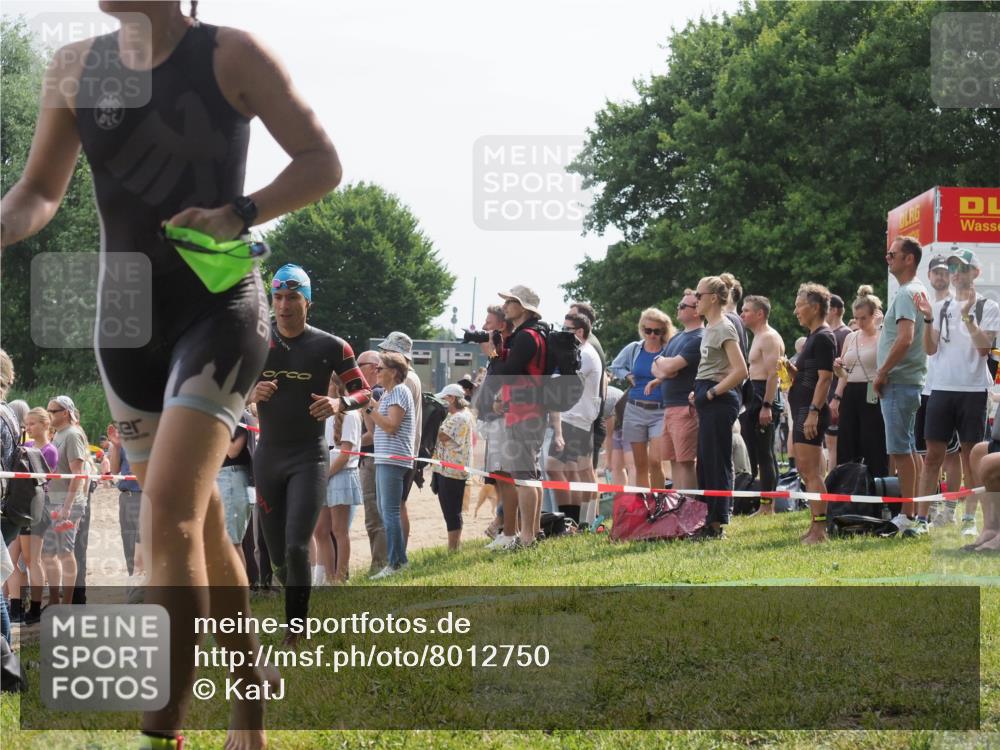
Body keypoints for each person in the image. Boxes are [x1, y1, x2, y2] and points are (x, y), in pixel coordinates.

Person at [0, 1, 344, 744]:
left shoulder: (231, 55)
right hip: (124, 323)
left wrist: (241, 211)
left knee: (168, 518)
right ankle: (250, 690)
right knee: (203, 521)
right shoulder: (73, 68)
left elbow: (323, 162)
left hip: (219, 311)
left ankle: (163, 731)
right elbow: (40, 192)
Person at [251, 264, 370, 637]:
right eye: (278, 297)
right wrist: (251, 394)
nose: (284, 306)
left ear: (308, 303)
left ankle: (296, 629)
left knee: (297, 546)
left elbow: (365, 392)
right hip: (269, 456)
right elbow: (222, 389)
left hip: (310, 456)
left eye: (293, 298)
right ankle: (295, 598)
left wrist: (339, 405)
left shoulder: (332, 346)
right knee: (274, 554)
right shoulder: (254, 340)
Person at [913, 248, 999, 538]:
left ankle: (968, 520)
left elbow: (984, 349)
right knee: (932, 455)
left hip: (973, 389)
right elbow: (930, 349)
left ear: (976, 273)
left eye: (962, 268)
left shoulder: (989, 306)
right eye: (953, 269)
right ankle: (922, 518)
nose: (957, 274)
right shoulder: (939, 307)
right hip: (941, 388)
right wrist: (926, 320)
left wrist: (967, 318)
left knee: (970, 455)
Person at [482, 286, 548, 550]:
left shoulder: (526, 337)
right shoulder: (534, 334)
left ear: (525, 307)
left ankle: (528, 537)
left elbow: (507, 371)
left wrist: (493, 353)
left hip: (524, 411)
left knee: (523, 477)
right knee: (531, 475)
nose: (506, 306)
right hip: (530, 408)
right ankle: (535, 532)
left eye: (511, 301)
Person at [874, 236, 928, 528]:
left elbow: (905, 339)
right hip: (907, 381)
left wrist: (882, 372)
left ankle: (907, 515)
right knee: (908, 450)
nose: (888, 258)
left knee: (900, 451)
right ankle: (915, 513)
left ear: (909, 259)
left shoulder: (908, 293)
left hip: (899, 381)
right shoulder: (912, 291)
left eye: (892, 254)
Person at [690, 277, 748, 539]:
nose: (695, 301)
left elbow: (741, 371)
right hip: (708, 397)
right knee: (704, 463)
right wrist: (700, 392)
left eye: (698, 295)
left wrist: (712, 391)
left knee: (717, 463)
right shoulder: (710, 327)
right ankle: (707, 520)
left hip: (719, 401)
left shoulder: (724, 327)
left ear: (713, 297)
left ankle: (717, 524)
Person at [786, 285, 836, 544]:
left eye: (799, 305)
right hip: (803, 410)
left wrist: (814, 412)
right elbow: (810, 375)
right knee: (807, 471)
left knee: (811, 471)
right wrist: (791, 370)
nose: (795, 311)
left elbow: (825, 379)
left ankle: (820, 531)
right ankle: (814, 526)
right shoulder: (813, 338)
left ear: (815, 307)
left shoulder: (824, 337)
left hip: (811, 412)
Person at [915, 255, 963, 525]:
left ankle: (951, 511)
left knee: (952, 455)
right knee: (928, 456)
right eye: (937, 272)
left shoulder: (958, 306)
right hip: (926, 386)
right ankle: (929, 510)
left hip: (950, 387)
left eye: (946, 272)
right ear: (930, 275)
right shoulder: (922, 303)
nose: (941, 276)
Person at [610, 308, 675, 491]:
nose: (652, 335)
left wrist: (660, 379)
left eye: (657, 331)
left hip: (660, 410)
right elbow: (615, 366)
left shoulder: (669, 349)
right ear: (642, 329)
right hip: (635, 409)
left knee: (655, 461)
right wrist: (627, 375)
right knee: (640, 465)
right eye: (648, 330)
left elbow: (677, 372)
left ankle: (658, 503)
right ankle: (645, 507)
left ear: (664, 331)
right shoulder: (634, 348)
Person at [363, 352, 415, 577]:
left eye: (381, 368)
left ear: (394, 372)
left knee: (390, 512)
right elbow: (374, 429)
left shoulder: (400, 392)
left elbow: (392, 426)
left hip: (394, 458)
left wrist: (371, 408)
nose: (376, 371)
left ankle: (396, 563)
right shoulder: (386, 394)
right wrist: (367, 404)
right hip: (385, 457)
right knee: (386, 511)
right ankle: (397, 561)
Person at [547, 313, 602, 524]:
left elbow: (560, 384)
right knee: (578, 472)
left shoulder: (584, 354)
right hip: (576, 418)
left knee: (558, 469)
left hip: (575, 419)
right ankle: (583, 521)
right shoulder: (581, 352)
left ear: (579, 332)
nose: (562, 332)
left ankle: (573, 520)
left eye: (566, 328)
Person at [35, 397, 89, 610]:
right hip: (53, 501)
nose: (49, 414)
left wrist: (67, 506)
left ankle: (66, 603)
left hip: (67, 503)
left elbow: (78, 474)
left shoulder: (73, 435)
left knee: (65, 552)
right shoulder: (59, 434)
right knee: (49, 553)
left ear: (65, 412)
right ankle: (55, 599)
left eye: (53, 411)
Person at [831, 286, 889, 479]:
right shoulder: (850, 336)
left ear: (874, 315)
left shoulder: (883, 335)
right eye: (856, 318)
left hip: (872, 389)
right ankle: (847, 482)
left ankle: (876, 484)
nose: (859, 322)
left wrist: (881, 327)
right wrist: (838, 367)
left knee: (873, 441)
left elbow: (885, 359)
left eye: (864, 318)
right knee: (847, 440)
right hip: (851, 391)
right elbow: (843, 373)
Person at [652, 290, 703, 493]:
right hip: (670, 407)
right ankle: (679, 508)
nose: (678, 309)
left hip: (686, 408)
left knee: (686, 461)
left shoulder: (699, 337)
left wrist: (666, 368)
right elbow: (655, 367)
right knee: (673, 461)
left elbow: (668, 367)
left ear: (697, 311)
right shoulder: (677, 338)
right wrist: (665, 368)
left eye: (683, 306)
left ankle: (690, 511)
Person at [738, 295, 785, 514]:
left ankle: (768, 506)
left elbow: (773, 375)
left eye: (746, 310)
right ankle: (766, 502)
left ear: (760, 314)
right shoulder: (756, 336)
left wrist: (767, 405)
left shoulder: (769, 337)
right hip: (754, 395)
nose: (742, 314)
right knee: (759, 452)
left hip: (764, 397)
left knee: (765, 453)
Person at [315, 378, 363, 583]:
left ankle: (340, 579)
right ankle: (329, 577)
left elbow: (345, 454)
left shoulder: (351, 414)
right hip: (326, 474)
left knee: (339, 530)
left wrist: (325, 475)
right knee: (320, 530)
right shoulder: (325, 414)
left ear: (336, 385)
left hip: (341, 474)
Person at [377, 332, 421, 546]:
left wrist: (370, 409)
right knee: (394, 505)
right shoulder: (408, 380)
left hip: (399, 452)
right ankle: (396, 555)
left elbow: (393, 423)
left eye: (386, 352)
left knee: (395, 506)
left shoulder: (406, 383)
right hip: (400, 451)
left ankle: (398, 556)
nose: (382, 355)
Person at [17, 408, 59, 625]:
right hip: (23, 506)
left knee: (33, 559)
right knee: (19, 559)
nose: (28, 428)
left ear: (45, 424)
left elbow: (40, 481)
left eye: (32, 424)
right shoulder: (26, 446)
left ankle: (34, 608)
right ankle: (17, 605)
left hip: (38, 506)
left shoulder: (50, 450)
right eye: (26, 424)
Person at [431, 384, 475, 550]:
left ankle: (453, 547)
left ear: (452, 398)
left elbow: (441, 435)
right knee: (451, 509)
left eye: (444, 399)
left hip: (452, 471)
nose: (442, 403)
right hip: (449, 469)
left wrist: (434, 419)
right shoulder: (460, 415)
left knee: (451, 510)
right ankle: (454, 546)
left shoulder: (458, 418)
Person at [355, 351, 388, 574]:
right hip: (372, 460)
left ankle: (379, 565)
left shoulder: (373, 394)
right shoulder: (375, 392)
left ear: (373, 367)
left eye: (360, 364)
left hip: (371, 460)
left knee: (374, 516)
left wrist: (346, 443)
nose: (356, 369)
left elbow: (371, 433)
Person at [216, 415, 254, 569]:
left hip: (231, 477)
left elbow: (232, 451)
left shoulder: (240, 417)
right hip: (223, 476)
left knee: (232, 541)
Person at [107, 422, 144, 578]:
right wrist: (116, 446)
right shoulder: (123, 441)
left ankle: (146, 588)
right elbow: (114, 471)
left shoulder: (150, 436)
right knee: (129, 544)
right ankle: (134, 584)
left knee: (144, 544)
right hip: (126, 496)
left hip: (145, 496)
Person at [824, 294, 852, 467]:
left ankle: (833, 486)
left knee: (835, 446)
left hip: (838, 397)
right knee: (828, 445)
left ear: (834, 310)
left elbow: (846, 370)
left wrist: (837, 397)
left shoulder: (845, 334)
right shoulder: (829, 333)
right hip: (828, 395)